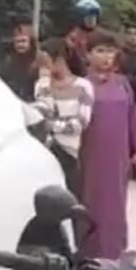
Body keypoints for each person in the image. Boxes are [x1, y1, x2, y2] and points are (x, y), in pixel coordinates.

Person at [75, 29, 136, 260]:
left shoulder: (122, 83)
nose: (106, 56)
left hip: (119, 159)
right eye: (100, 51)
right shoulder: (82, 86)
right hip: (91, 158)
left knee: (116, 208)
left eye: (110, 51)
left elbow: (132, 116)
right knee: (93, 208)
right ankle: (90, 258)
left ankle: (115, 256)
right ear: (88, 54)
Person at [34, 39, 94, 191]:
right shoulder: (42, 85)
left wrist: (51, 125)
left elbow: (81, 123)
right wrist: (45, 82)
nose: (43, 66)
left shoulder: (83, 86)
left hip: (69, 151)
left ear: (59, 60)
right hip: (45, 151)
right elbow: (43, 112)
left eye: (45, 62)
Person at [0, 18, 40, 101]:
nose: (20, 45)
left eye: (23, 41)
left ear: (31, 42)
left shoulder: (41, 58)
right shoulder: (8, 60)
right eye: (18, 42)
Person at [65, 0, 102, 76]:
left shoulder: (102, 36)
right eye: (88, 16)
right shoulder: (73, 37)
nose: (91, 19)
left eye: (94, 16)